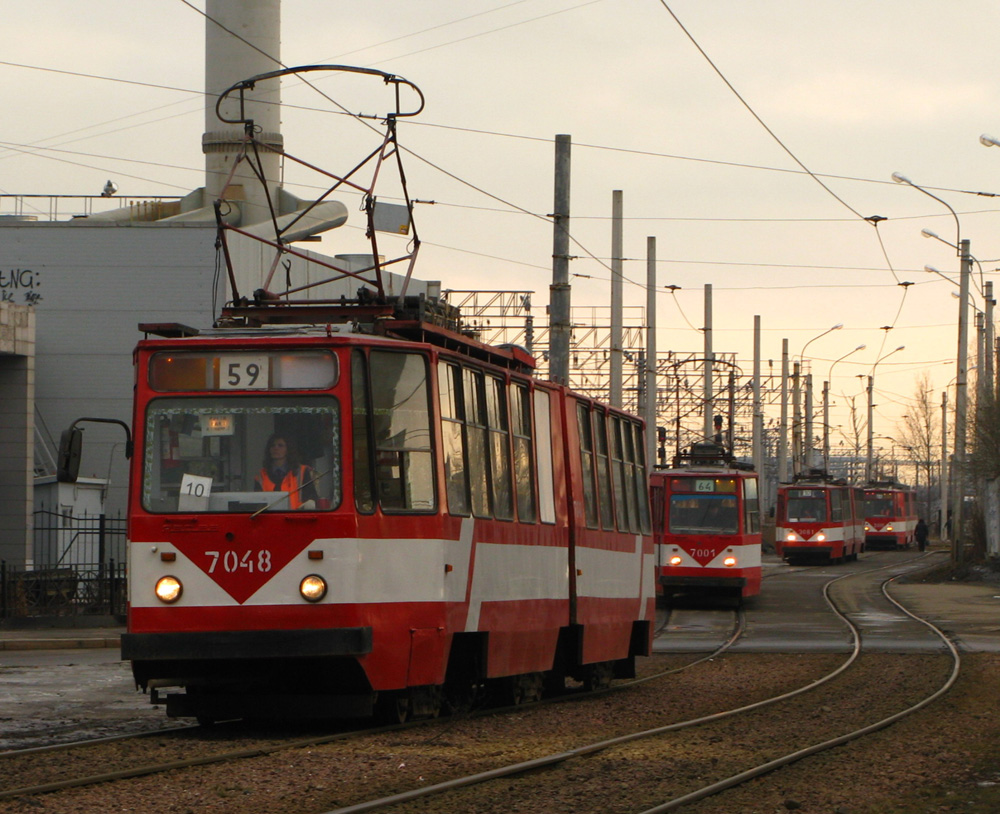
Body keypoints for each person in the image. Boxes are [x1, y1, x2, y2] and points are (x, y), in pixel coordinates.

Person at [254, 433, 318, 509]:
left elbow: (312, 497)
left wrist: (309, 503)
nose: (276, 448)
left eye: (280, 445)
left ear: (288, 449)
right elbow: (257, 504)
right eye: (272, 445)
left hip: (295, 519)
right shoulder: (261, 476)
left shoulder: (302, 471)